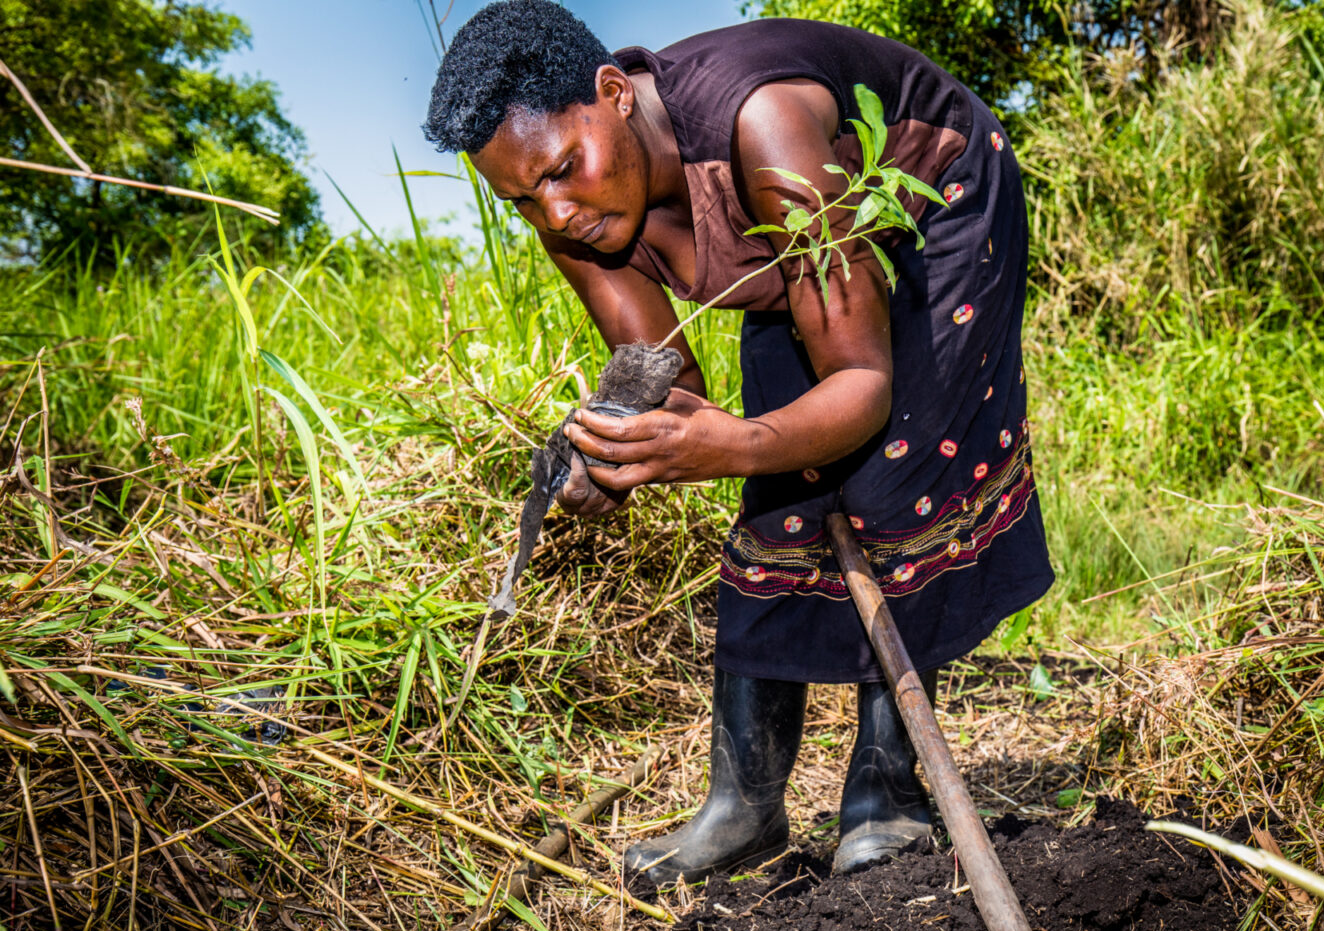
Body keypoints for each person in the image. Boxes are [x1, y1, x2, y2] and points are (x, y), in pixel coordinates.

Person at [424, 0, 1054, 883]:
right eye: (522, 199)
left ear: (613, 94)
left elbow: (862, 385)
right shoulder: (567, 209)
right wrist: (614, 455)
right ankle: (744, 808)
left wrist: (733, 443)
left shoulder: (764, 125)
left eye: (565, 170)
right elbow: (668, 381)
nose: (557, 214)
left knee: (892, 479)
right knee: (781, 500)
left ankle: (888, 795)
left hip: (932, 209)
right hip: (804, 260)